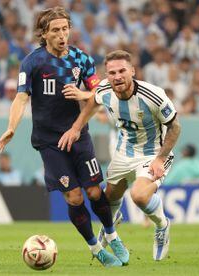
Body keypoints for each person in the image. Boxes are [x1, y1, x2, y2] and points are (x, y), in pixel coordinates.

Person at [0, 7, 127, 267]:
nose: (62, 35)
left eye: (65, 29)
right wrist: (12, 127)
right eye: (55, 30)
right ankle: (96, 248)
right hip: (49, 141)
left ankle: (112, 235)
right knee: (74, 197)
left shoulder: (81, 59)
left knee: (93, 191)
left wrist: (83, 96)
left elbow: (100, 94)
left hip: (77, 133)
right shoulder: (32, 62)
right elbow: (21, 97)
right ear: (44, 34)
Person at [59, 50, 182, 261]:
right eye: (112, 72)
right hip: (124, 151)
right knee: (107, 199)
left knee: (139, 195)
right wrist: (77, 127)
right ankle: (111, 227)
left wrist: (160, 159)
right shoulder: (105, 89)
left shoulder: (153, 95)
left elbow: (175, 127)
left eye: (122, 71)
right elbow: (94, 101)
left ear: (132, 71)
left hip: (154, 152)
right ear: (107, 75)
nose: (117, 76)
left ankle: (162, 225)